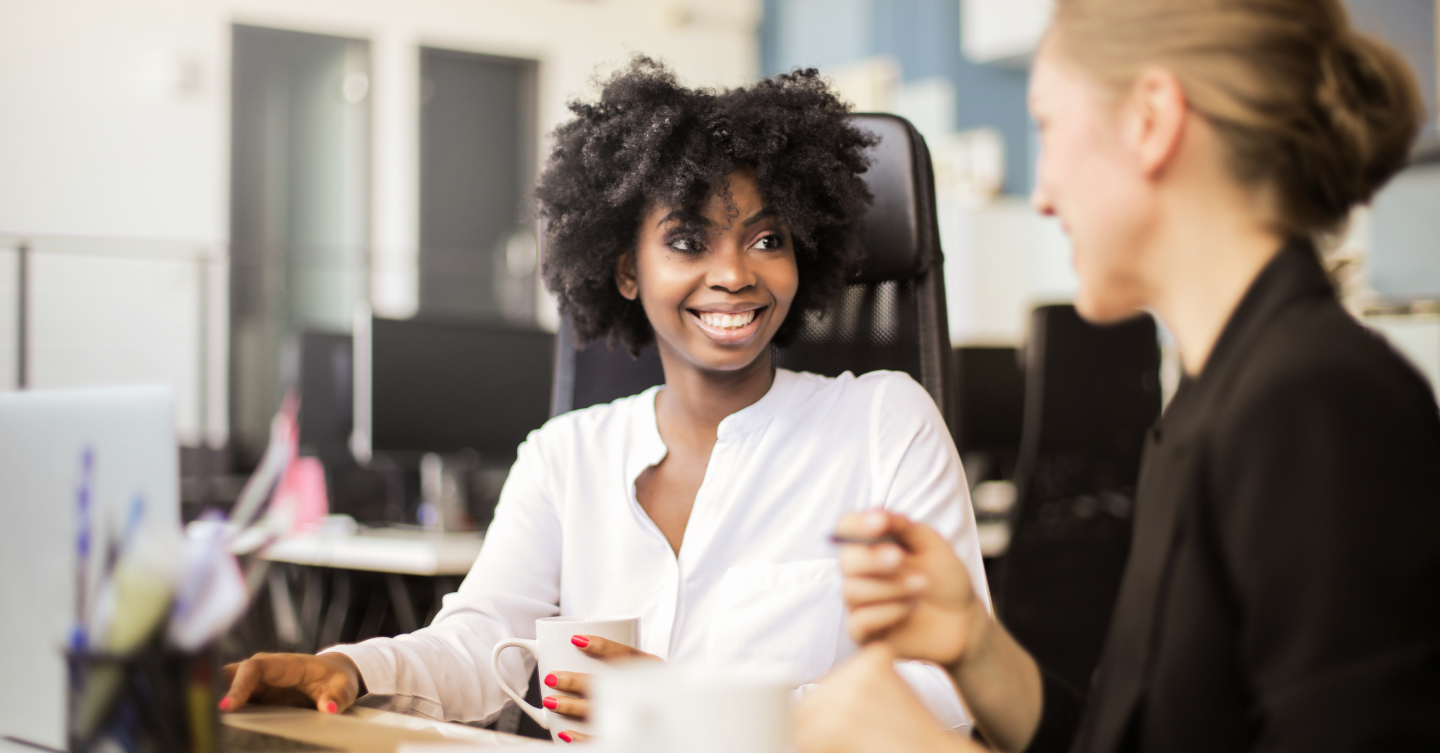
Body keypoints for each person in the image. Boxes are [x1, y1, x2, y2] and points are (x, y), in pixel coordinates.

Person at [220, 57, 989, 742]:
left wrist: (699, 708)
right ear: (625, 270)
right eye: (689, 240)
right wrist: (349, 668)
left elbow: (949, 687)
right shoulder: (566, 453)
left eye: (766, 239)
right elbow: (479, 641)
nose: (734, 274)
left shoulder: (884, 421)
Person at [796, 1, 1440, 752]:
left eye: (1046, 126)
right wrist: (973, 643)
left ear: (1151, 120)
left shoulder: (1317, 406)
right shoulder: (1208, 405)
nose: (1041, 194)